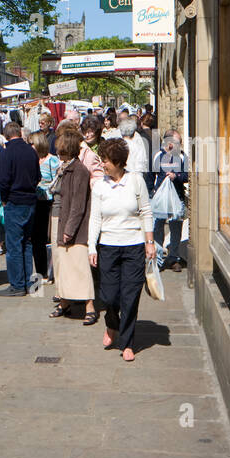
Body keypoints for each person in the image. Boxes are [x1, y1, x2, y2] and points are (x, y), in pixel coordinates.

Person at [88, 137, 155, 361]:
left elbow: (146, 211)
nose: (102, 165)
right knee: (109, 296)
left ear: (117, 162)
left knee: (130, 296)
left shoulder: (136, 181)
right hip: (108, 246)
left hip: (134, 246)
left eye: (105, 161)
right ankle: (111, 323)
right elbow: (95, 219)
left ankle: (127, 343)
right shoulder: (99, 186)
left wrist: (150, 242)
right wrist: (91, 247)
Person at [50, 126, 96, 324]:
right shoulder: (64, 168)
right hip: (58, 219)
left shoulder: (79, 171)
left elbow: (78, 205)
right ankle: (64, 301)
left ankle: (89, 306)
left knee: (79, 267)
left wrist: (69, 230)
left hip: (72, 226)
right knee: (62, 266)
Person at [0, 121, 41, 296]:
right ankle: (27, 282)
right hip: (30, 200)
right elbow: (37, 176)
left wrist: (4, 199)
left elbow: (4, 180)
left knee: (14, 244)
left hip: (15, 201)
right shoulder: (31, 151)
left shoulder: (8, 153)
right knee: (26, 243)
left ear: (7, 135)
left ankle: (17, 285)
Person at [151, 130, 188, 271]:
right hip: (160, 199)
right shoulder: (158, 156)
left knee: (176, 228)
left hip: (177, 198)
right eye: (178, 142)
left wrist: (176, 176)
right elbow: (150, 175)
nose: (181, 144)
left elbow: (186, 176)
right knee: (158, 228)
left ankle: (174, 258)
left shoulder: (183, 157)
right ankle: (158, 259)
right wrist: (151, 193)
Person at [31, 132, 59, 283]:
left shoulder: (52, 160)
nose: (30, 146)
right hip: (34, 202)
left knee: (48, 237)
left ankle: (51, 271)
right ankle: (41, 272)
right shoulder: (31, 159)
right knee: (37, 238)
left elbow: (57, 182)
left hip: (48, 203)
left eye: (32, 144)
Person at [79, 115, 105, 187]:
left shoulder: (104, 145)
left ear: (97, 132)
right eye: (85, 132)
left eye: (90, 132)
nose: (87, 135)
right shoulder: (80, 147)